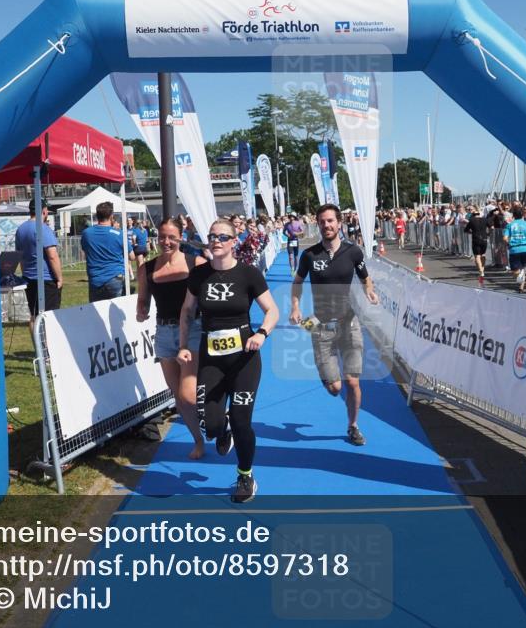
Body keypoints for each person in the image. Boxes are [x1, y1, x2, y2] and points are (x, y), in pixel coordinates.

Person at [178, 219, 279, 504]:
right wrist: (183, 346)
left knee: (241, 420)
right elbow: (187, 311)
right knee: (210, 426)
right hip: (211, 358)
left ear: (234, 242)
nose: (216, 241)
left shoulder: (248, 274)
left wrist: (261, 333)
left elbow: (272, 310)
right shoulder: (199, 275)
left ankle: (245, 476)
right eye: (212, 236)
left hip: (244, 358)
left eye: (223, 237)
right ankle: (223, 430)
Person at [290, 203, 380, 446]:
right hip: (320, 325)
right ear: (318, 225)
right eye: (322, 222)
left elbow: (365, 278)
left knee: (352, 381)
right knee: (335, 388)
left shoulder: (353, 252)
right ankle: (327, 374)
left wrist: (369, 291)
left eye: (330, 221)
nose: (326, 225)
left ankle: (353, 426)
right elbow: (297, 282)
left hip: (349, 322)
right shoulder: (309, 255)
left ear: (339, 223)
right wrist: (296, 307)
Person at [137, 218, 207, 459]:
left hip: (193, 330)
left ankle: (216, 416)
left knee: (188, 395)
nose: (166, 242)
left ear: (181, 237)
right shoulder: (147, 268)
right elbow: (143, 300)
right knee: (179, 398)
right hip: (164, 333)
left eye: (171, 237)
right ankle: (198, 440)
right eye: (162, 237)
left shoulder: (196, 263)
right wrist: (141, 310)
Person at [15, 198, 63, 336]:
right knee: (50, 317)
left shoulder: (21, 229)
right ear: (44, 211)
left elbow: (20, 255)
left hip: (29, 277)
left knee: (34, 315)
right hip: (46, 279)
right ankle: (48, 347)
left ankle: (38, 346)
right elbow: (52, 255)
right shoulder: (43, 228)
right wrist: (59, 278)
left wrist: (25, 274)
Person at [80, 202, 129, 302]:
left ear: (97, 215)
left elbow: (85, 252)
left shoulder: (86, 233)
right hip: (115, 277)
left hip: (95, 279)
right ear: (111, 216)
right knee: (117, 309)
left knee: (97, 310)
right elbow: (131, 256)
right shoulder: (119, 234)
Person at [503, 208, 526, 293]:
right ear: (522, 215)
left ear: (513, 216)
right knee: (522, 268)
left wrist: (508, 243)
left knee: (515, 271)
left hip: (514, 249)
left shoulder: (510, 225)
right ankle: (521, 287)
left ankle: (521, 284)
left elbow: (505, 238)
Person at [465, 208, 492, 281]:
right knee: (483, 254)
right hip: (484, 239)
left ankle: (481, 271)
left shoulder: (471, 220)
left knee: (477, 255)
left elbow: (466, 230)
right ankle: (482, 269)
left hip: (476, 239)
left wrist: (472, 232)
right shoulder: (485, 220)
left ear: (473, 215)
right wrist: (488, 233)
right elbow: (492, 227)